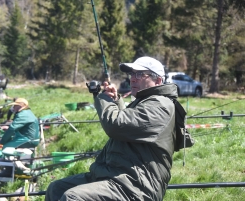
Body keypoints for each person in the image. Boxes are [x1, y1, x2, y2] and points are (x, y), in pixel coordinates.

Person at [45, 56, 178, 201]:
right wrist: (115, 100)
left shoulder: (161, 105)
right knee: (56, 189)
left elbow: (116, 126)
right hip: (115, 176)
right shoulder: (145, 102)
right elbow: (131, 126)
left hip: (136, 186)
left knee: (73, 198)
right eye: (132, 74)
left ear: (158, 80)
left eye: (139, 74)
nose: (133, 78)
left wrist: (104, 100)